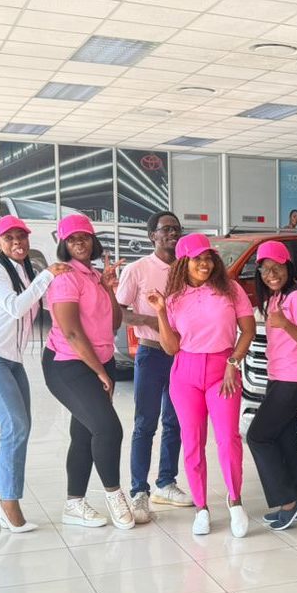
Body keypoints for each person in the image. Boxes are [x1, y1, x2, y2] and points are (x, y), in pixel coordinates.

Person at [0, 216, 70, 533]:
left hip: (12, 360)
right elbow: (16, 307)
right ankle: (9, 501)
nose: (17, 243)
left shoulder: (27, 272)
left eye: (21, 237)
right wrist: (47, 275)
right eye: (9, 238)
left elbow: (46, 303)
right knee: (15, 426)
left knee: (18, 427)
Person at [147, 234, 255, 537]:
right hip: (186, 373)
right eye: (197, 259)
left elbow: (247, 331)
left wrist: (233, 362)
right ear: (184, 262)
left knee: (228, 438)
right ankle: (201, 508)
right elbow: (171, 347)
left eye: (208, 258)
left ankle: (235, 501)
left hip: (223, 370)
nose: (205, 264)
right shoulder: (173, 298)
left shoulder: (231, 289)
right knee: (193, 442)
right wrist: (160, 311)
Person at [41, 215, 137, 530]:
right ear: (64, 245)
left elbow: (114, 324)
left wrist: (109, 288)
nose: (79, 243)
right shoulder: (66, 278)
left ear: (93, 240)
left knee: (85, 431)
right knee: (108, 430)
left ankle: (74, 504)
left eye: (83, 237)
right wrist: (101, 372)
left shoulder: (95, 276)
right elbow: (71, 332)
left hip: (99, 361)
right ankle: (114, 495)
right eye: (71, 239)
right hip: (68, 364)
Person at [115, 211, 192, 521]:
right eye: (166, 229)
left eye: (176, 229)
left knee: (175, 422)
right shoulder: (137, 269)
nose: (173, 233)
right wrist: (152, 320)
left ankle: (166, 483)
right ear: (152, 236)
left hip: (182, 356)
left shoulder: (187, 269)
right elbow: (118, 312)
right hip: (151, 354)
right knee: (145, 424)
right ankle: (139, 492)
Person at [249, 241, 297, 531]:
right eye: (265, 269)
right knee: (284, 438)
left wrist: (286, 324)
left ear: (288, 266)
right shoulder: (276, 297)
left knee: (258, 436)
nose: (271, 274)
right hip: (280, 376)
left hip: (295, 378)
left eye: (276, 267)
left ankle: (288, 502)